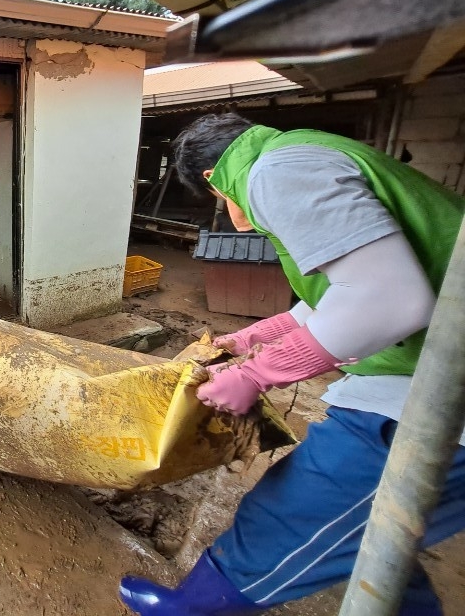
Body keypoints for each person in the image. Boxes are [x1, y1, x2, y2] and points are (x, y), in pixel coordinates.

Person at [119, 113, 465, 615]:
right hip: (430, 363)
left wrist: (258, 373)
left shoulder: (274, 173)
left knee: (295, 511)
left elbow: (390, 299)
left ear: (215, 178)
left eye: (218, 200)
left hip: (437, 390)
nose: (229, 210)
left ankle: (192, 608)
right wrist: (258, 334)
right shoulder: (309, 151)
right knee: (372, 535)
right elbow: (341, 287)